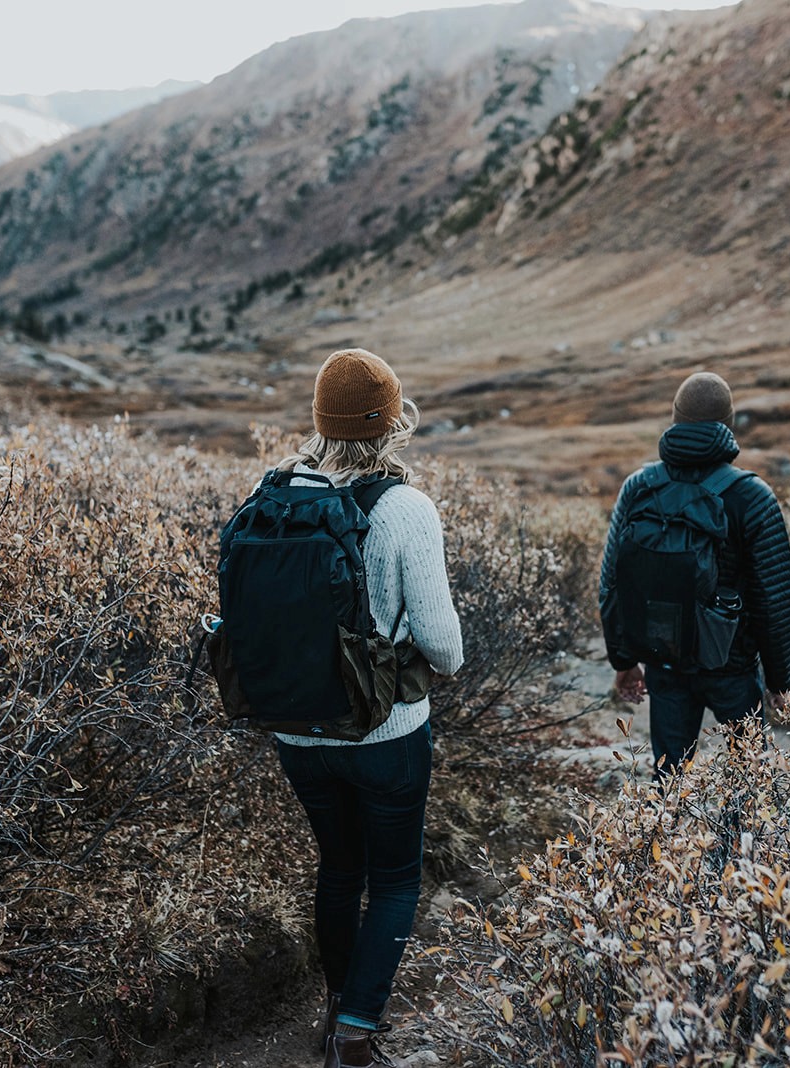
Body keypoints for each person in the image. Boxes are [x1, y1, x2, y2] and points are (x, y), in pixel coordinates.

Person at [269, 349, 463, 1068]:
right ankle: (355, 1035)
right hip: (385, 732)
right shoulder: (405, 508)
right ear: (390, 424)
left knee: (338, 866)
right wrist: (438, 666)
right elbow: (444, 645)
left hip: (297, 729)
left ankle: (333, 1009)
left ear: (321, 420)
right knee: (395, 879)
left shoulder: (276, 495)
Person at [599, 371, 790, 774]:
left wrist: (624, 661)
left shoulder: (639, 487)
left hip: (664, 660)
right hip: (732, 666)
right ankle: (738, 840)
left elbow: (611, 583)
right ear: (727, 422)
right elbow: (773, 599)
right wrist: (779, 680)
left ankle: (663, 838)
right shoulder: (752, 497)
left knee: (670, 778)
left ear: (675, 419)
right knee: (749, 780)